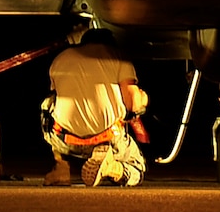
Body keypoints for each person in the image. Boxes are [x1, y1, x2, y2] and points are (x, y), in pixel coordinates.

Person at [43, 27, 147, 186]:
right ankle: (112, 167)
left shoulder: (61, 58)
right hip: (105, 137)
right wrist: (143, 99)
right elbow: (133, 104)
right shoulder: (118, 58)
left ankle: (61, 167)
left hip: (65, 139)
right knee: (137, 170)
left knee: (47, 106)